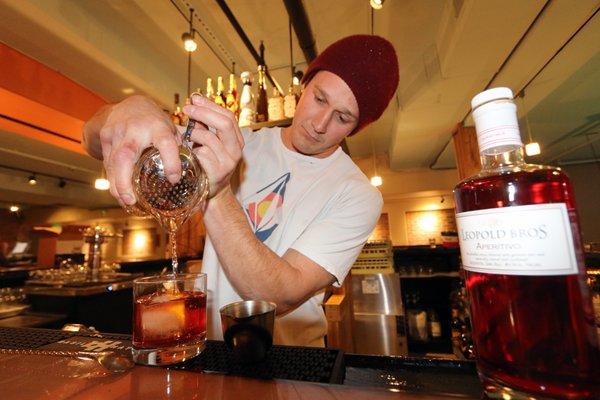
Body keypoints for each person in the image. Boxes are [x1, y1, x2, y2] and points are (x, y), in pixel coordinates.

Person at [83, 35, 399, 347]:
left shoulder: (357, 193)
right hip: (213, 348)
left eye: (342, 118)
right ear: (304, 85)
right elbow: (92, 140)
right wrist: (124, 111)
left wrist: (219, 193)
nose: (319, 124)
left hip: (289, 365)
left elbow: (280, 295)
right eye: (319, 98)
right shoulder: (238, 142)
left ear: (356, 128)